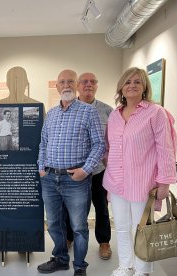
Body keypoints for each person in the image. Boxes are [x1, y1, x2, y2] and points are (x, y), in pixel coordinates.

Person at [103, 67, 176, 276]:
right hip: (117, 182)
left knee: (141, 229)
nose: (132, 85)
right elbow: (110, 148)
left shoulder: (155, 112)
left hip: (143, 182)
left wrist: (165, 182)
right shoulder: (115, 115)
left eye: (137, 82)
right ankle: (126, 265)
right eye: (127, 82)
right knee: (122, 226)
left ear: (144, 87)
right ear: (121, 88)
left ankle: (142, 269)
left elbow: (166, 149)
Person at [37, 69, 105, 276]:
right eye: (62, 82)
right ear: (56, 86)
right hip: (50, 178)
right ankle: (60, 259)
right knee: (54, 223)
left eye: (70, 82)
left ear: (76, 86)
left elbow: (99, 145)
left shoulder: (88, 111)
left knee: (78, 227)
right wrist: (41, 166)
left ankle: (79, 266)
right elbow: (43, 143)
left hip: (75, 180)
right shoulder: (51, 114)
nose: (66, 85)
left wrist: (85, 170)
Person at [64, 72, 113, 260]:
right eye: (84, 82)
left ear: (97, 86)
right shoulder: (67, 108)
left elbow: (112, 141)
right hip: (74, 171)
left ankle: (104, 242)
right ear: (77, 85)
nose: (88, 85)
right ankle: (69, 238)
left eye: (93, 82)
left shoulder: (108, 111)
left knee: (101, 207)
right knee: (72, 208)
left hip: (98, 170)